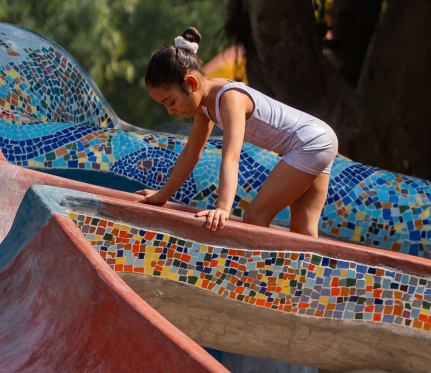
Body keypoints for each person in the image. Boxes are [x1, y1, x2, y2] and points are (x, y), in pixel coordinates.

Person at [136, 27, 338, 237]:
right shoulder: (205, 106)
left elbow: (231, 156)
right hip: (320, 137)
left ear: (191, 83)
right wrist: (162, 195)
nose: (171, 111)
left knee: (255, 218)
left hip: (310, 142)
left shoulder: (229, 98)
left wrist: (223, 208)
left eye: (171, 102)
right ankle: (306, 270)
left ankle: (256, 270)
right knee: (303, 230)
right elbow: (192, 153)